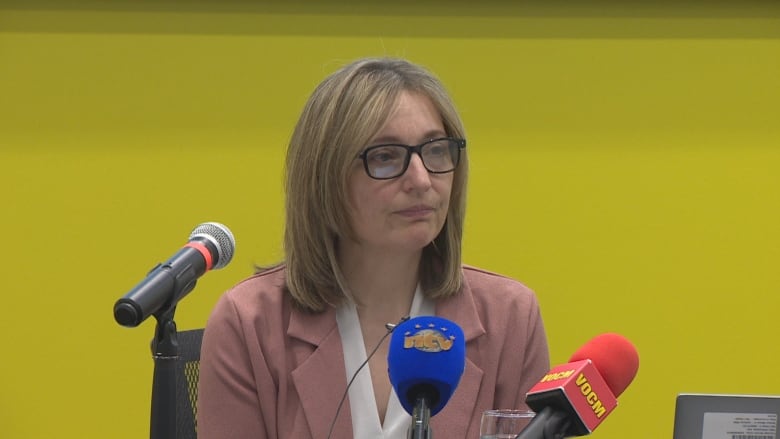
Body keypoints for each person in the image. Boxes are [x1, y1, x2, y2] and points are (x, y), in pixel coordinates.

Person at [197, 57, 550, 439]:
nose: (420, 179)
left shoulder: (511, 318)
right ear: (324, 178)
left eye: (435, 150)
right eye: (385, 157)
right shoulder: (249, 324)